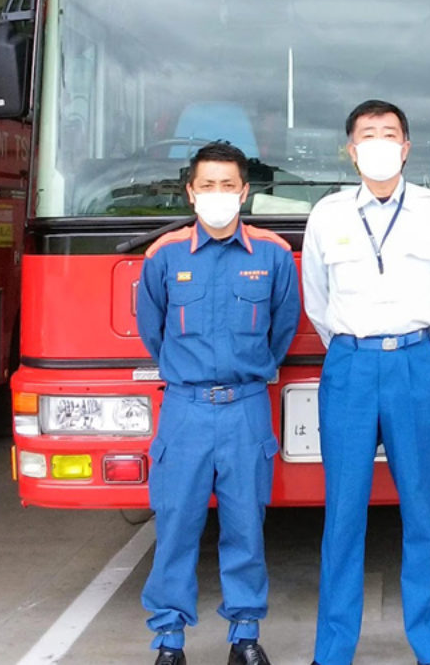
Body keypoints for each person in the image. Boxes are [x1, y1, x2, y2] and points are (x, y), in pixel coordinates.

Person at [301, 99, 430, 665]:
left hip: (412, 364)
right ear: (350, 150)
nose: (378, 142)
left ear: (406, 147)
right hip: (349, 366)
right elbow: (317, 300)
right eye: (366, 134)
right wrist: (356, 345)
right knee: (342, 514)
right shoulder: (326, 214)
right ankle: (333, 650)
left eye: (389, 133)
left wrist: (416, 349)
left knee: (423, 509)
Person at [137, 141, 301, 665]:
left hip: (246, 408)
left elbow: (283, 331)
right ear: (190, 193)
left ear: (245, 192)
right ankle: (168, 640)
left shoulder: (273, 256)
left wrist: (241, 375)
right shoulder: (163, 257)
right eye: (207, 185)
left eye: (228, 185)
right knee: (176, 527)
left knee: (245, 527)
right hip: (184, 409)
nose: (217, 195)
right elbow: (152, 332)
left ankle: (245, 635)